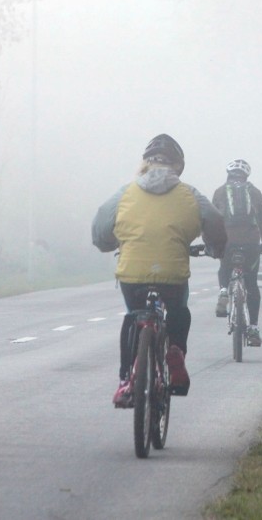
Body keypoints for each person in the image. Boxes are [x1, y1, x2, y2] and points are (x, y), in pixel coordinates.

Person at [92, 134, 226, 406]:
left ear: (146, 163)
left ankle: (126, 381)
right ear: (178, 165)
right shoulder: (191, 195)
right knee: (178, 311)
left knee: (132, 315)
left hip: (133, 272)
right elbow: (214, 220)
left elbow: (101, 227)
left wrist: (109, 243)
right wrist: (215, 248)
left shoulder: (125, 193)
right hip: (172, 272)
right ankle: (175, 350)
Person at [212, 158, 262, 347]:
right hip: (251, 244)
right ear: (246, 176)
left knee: (224, 267)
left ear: (228, 174)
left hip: (227, 242)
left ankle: (223, 291)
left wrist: (212, 244)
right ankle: (253, 327)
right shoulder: (255, 192)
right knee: (252, 283)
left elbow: (212, 220)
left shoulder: (220, 192)